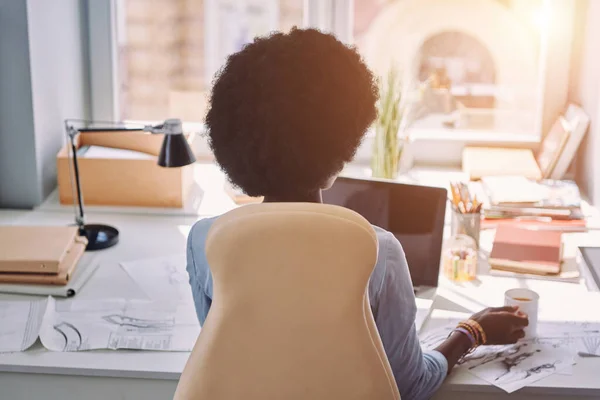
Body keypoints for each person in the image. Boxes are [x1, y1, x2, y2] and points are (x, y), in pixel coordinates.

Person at [186, 28, 529, 400]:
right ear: (343, 149)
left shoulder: (205, 242)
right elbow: (409, 385)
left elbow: (231, 362)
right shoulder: (375, 252)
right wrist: (470, 332)